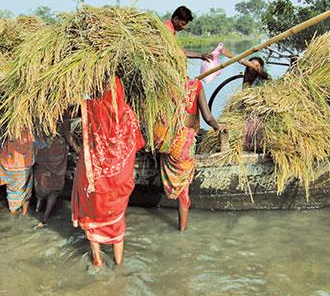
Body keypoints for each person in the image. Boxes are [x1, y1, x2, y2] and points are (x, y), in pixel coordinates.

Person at [66, 78, 144, 267]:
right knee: (117, 221)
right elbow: (138, 144)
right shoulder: (128, 114)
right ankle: (118, 264)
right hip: (120, 183)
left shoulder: (90, 108)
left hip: (94, 180)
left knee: (92, 216)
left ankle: (97, 258)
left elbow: (66, 113)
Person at [158, 79, 223, 232]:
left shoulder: (165, 83)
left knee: (179, 185)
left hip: (167, 141)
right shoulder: (195, 84)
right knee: (184, 191)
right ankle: (182, 230)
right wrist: (219, 127)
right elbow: (207, 116)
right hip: (183, 143)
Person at [0, 128, 35, 215]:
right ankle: (23, 213)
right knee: (25, 191)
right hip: (23, 165)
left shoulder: (7, 128)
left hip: (7, 165)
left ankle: (13, 212)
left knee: (12, 191)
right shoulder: (30, 128)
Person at [33, 124, 70, 227]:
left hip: (44, 178)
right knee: (53, 194)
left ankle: (37, 209)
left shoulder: (40, 139)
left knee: (40, 195)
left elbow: (35, 157)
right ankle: (44, 219)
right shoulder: (62, 141)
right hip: (57, 178)